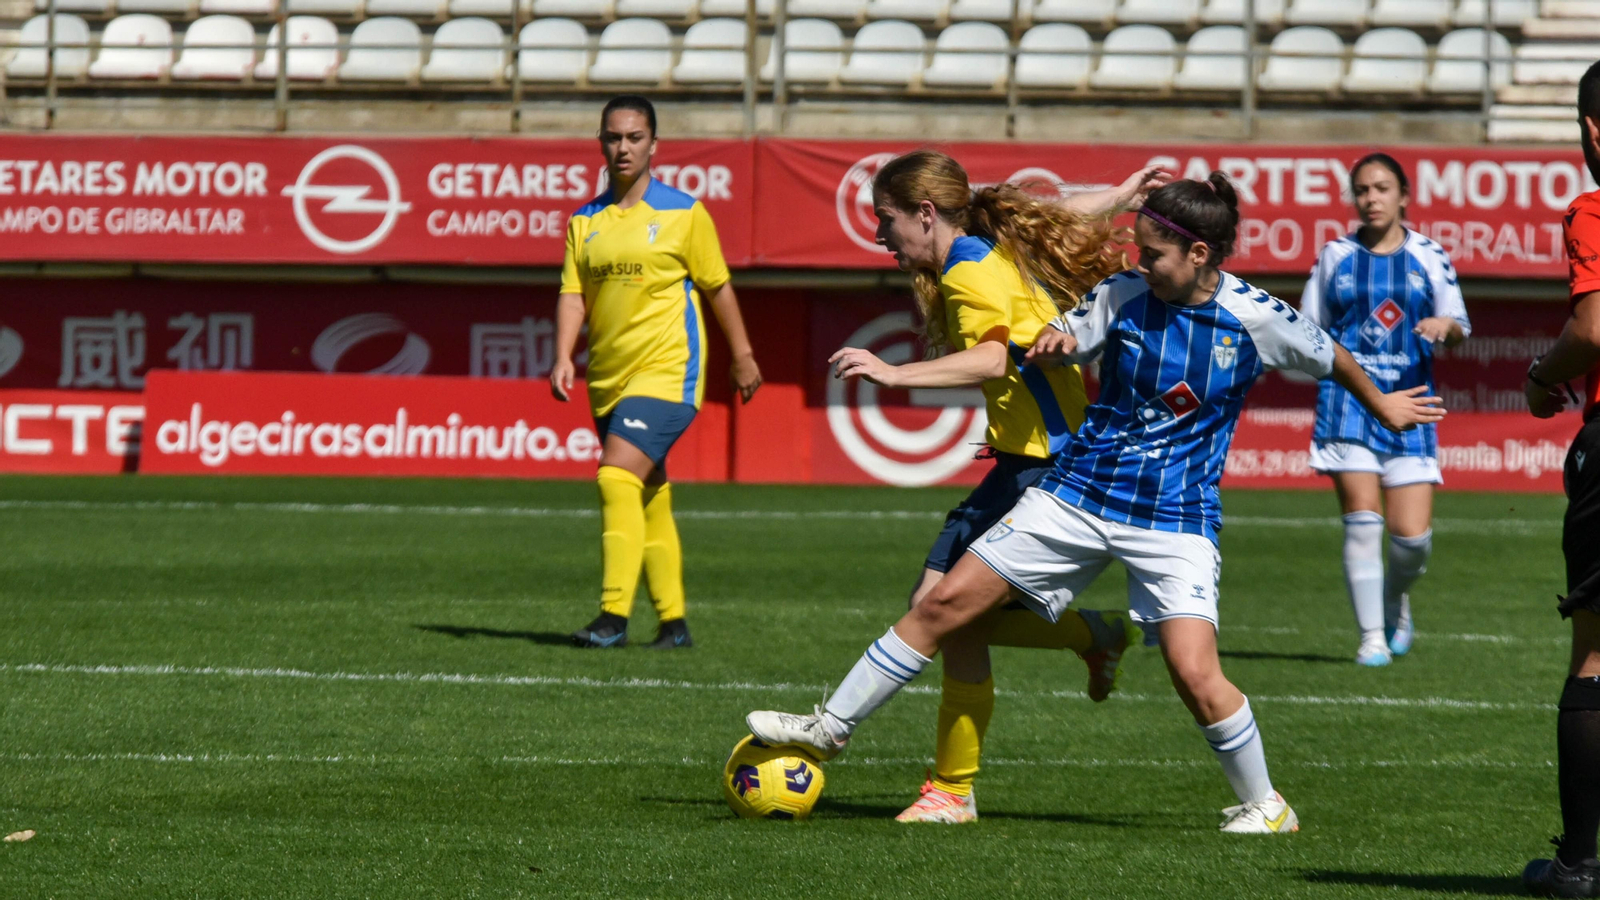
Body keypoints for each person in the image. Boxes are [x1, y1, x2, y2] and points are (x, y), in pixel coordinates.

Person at [746, 173, 1445, 833]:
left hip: (1176, 518)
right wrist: (1058, 342)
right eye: (1138, 249)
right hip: (1077, 494)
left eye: (1155, 253)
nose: (1141, 263)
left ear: (1200, 253)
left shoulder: (1258, 318)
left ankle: (1266, 805)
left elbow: (1331, 354)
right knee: (941, 605)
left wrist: (1382, 404)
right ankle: (829, 727)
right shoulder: (1123, 294)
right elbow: (1073, 331)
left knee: (1195, 675)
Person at [827, 150, 1165, 824]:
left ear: (925, 214)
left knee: (942, 613)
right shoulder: (983, 240)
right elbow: (1055, 215)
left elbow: (990, 356)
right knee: (941, 612)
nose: (879, 235)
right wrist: (1123, 192)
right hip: (1024, 458)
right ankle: (1087, 638)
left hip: (1047, 465)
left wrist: (892, 375)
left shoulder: (968, 271)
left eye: (886, 219)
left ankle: (952, 789)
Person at [551, 95, 762, 650]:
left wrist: (742, 355)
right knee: (648, 493)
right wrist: (561, 355)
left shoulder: (684, 213)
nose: (623, 147)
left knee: (614, 476)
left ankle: (612, 617)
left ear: (653, 145)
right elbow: (574, 295)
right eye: (613, 137)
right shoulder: (584, 221)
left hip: (669, 373)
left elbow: (717, 286)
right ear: (601, 143)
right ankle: (673, 624)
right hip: (608, 378)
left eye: (634, 137)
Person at [1299, 153, 1470, 667]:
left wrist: (1446, 328)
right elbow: (1309, 330)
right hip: (1348, 406)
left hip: (1413, 407)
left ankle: (1395, 599)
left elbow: (1460, 324)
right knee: (1363, 523)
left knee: (1412, 540)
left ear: (1403, 195)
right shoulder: (1334, 256)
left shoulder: (1429, 254)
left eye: (1381, 188)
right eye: (1362, 190)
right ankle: (1371, 637)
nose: (1371, 198)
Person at [1522, 60, 1600, 897]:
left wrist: (1543, 378)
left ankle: (1578, 866)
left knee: (1595, 657)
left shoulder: (1594, 208)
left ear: (1591, 131)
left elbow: (1595, 325)